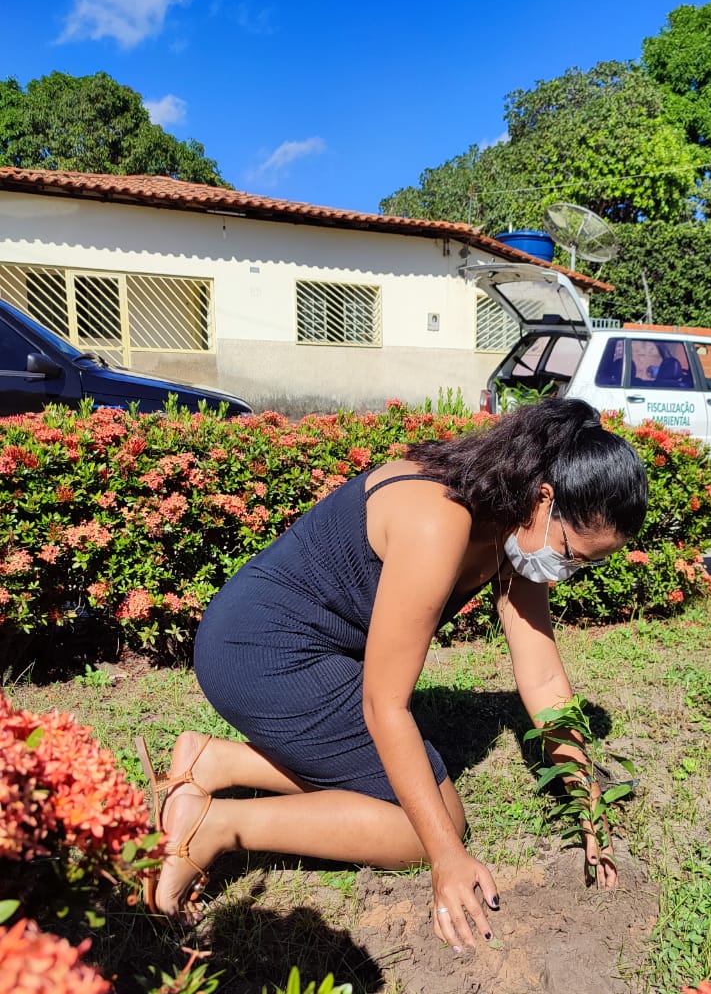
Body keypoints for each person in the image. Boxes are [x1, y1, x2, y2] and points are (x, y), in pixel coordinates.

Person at [136, 399, 648, 951]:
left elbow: (544, 678)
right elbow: (386, 705)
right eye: (572, 554)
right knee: (426, 830)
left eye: (586, 565)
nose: (567, 572)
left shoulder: (514, 527)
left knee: (427, 811)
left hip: (297, 647)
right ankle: (212, 825)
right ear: (544, 498)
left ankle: (214, 762)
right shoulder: (439, 520)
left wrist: (586, 803)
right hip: (264, 654)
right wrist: (445, 857)